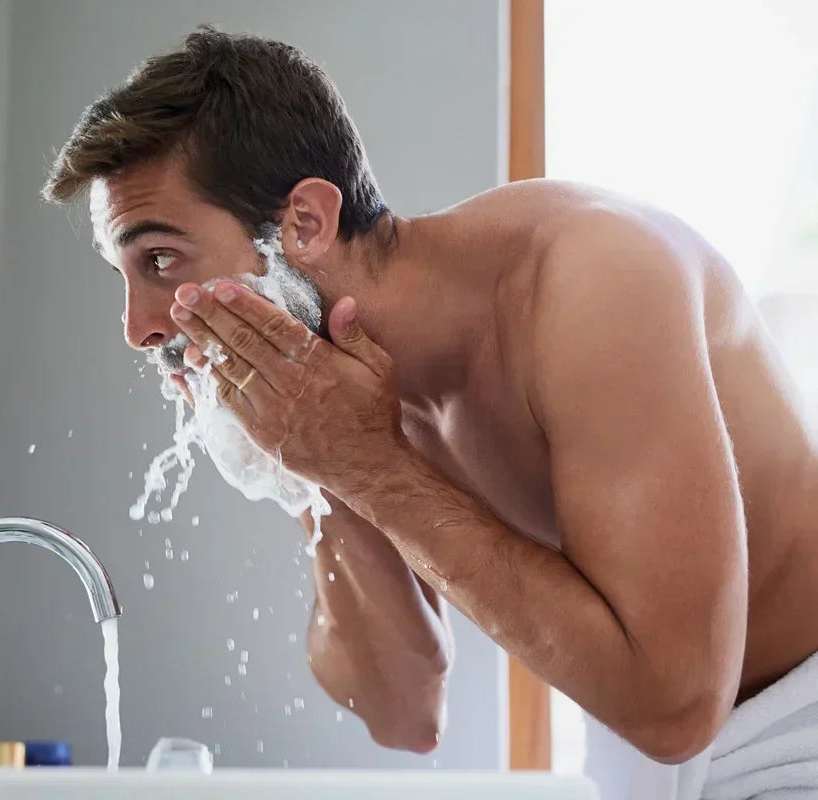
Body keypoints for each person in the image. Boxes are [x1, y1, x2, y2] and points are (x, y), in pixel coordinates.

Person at [43, 26, 818, 799]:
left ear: (304, 224)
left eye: (161, 261)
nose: (138, 326)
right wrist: (311, 468)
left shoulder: (592, 280)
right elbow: (405, 711)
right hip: (650, 764)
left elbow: (677, 705)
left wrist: (367, 467)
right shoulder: (348, 397)